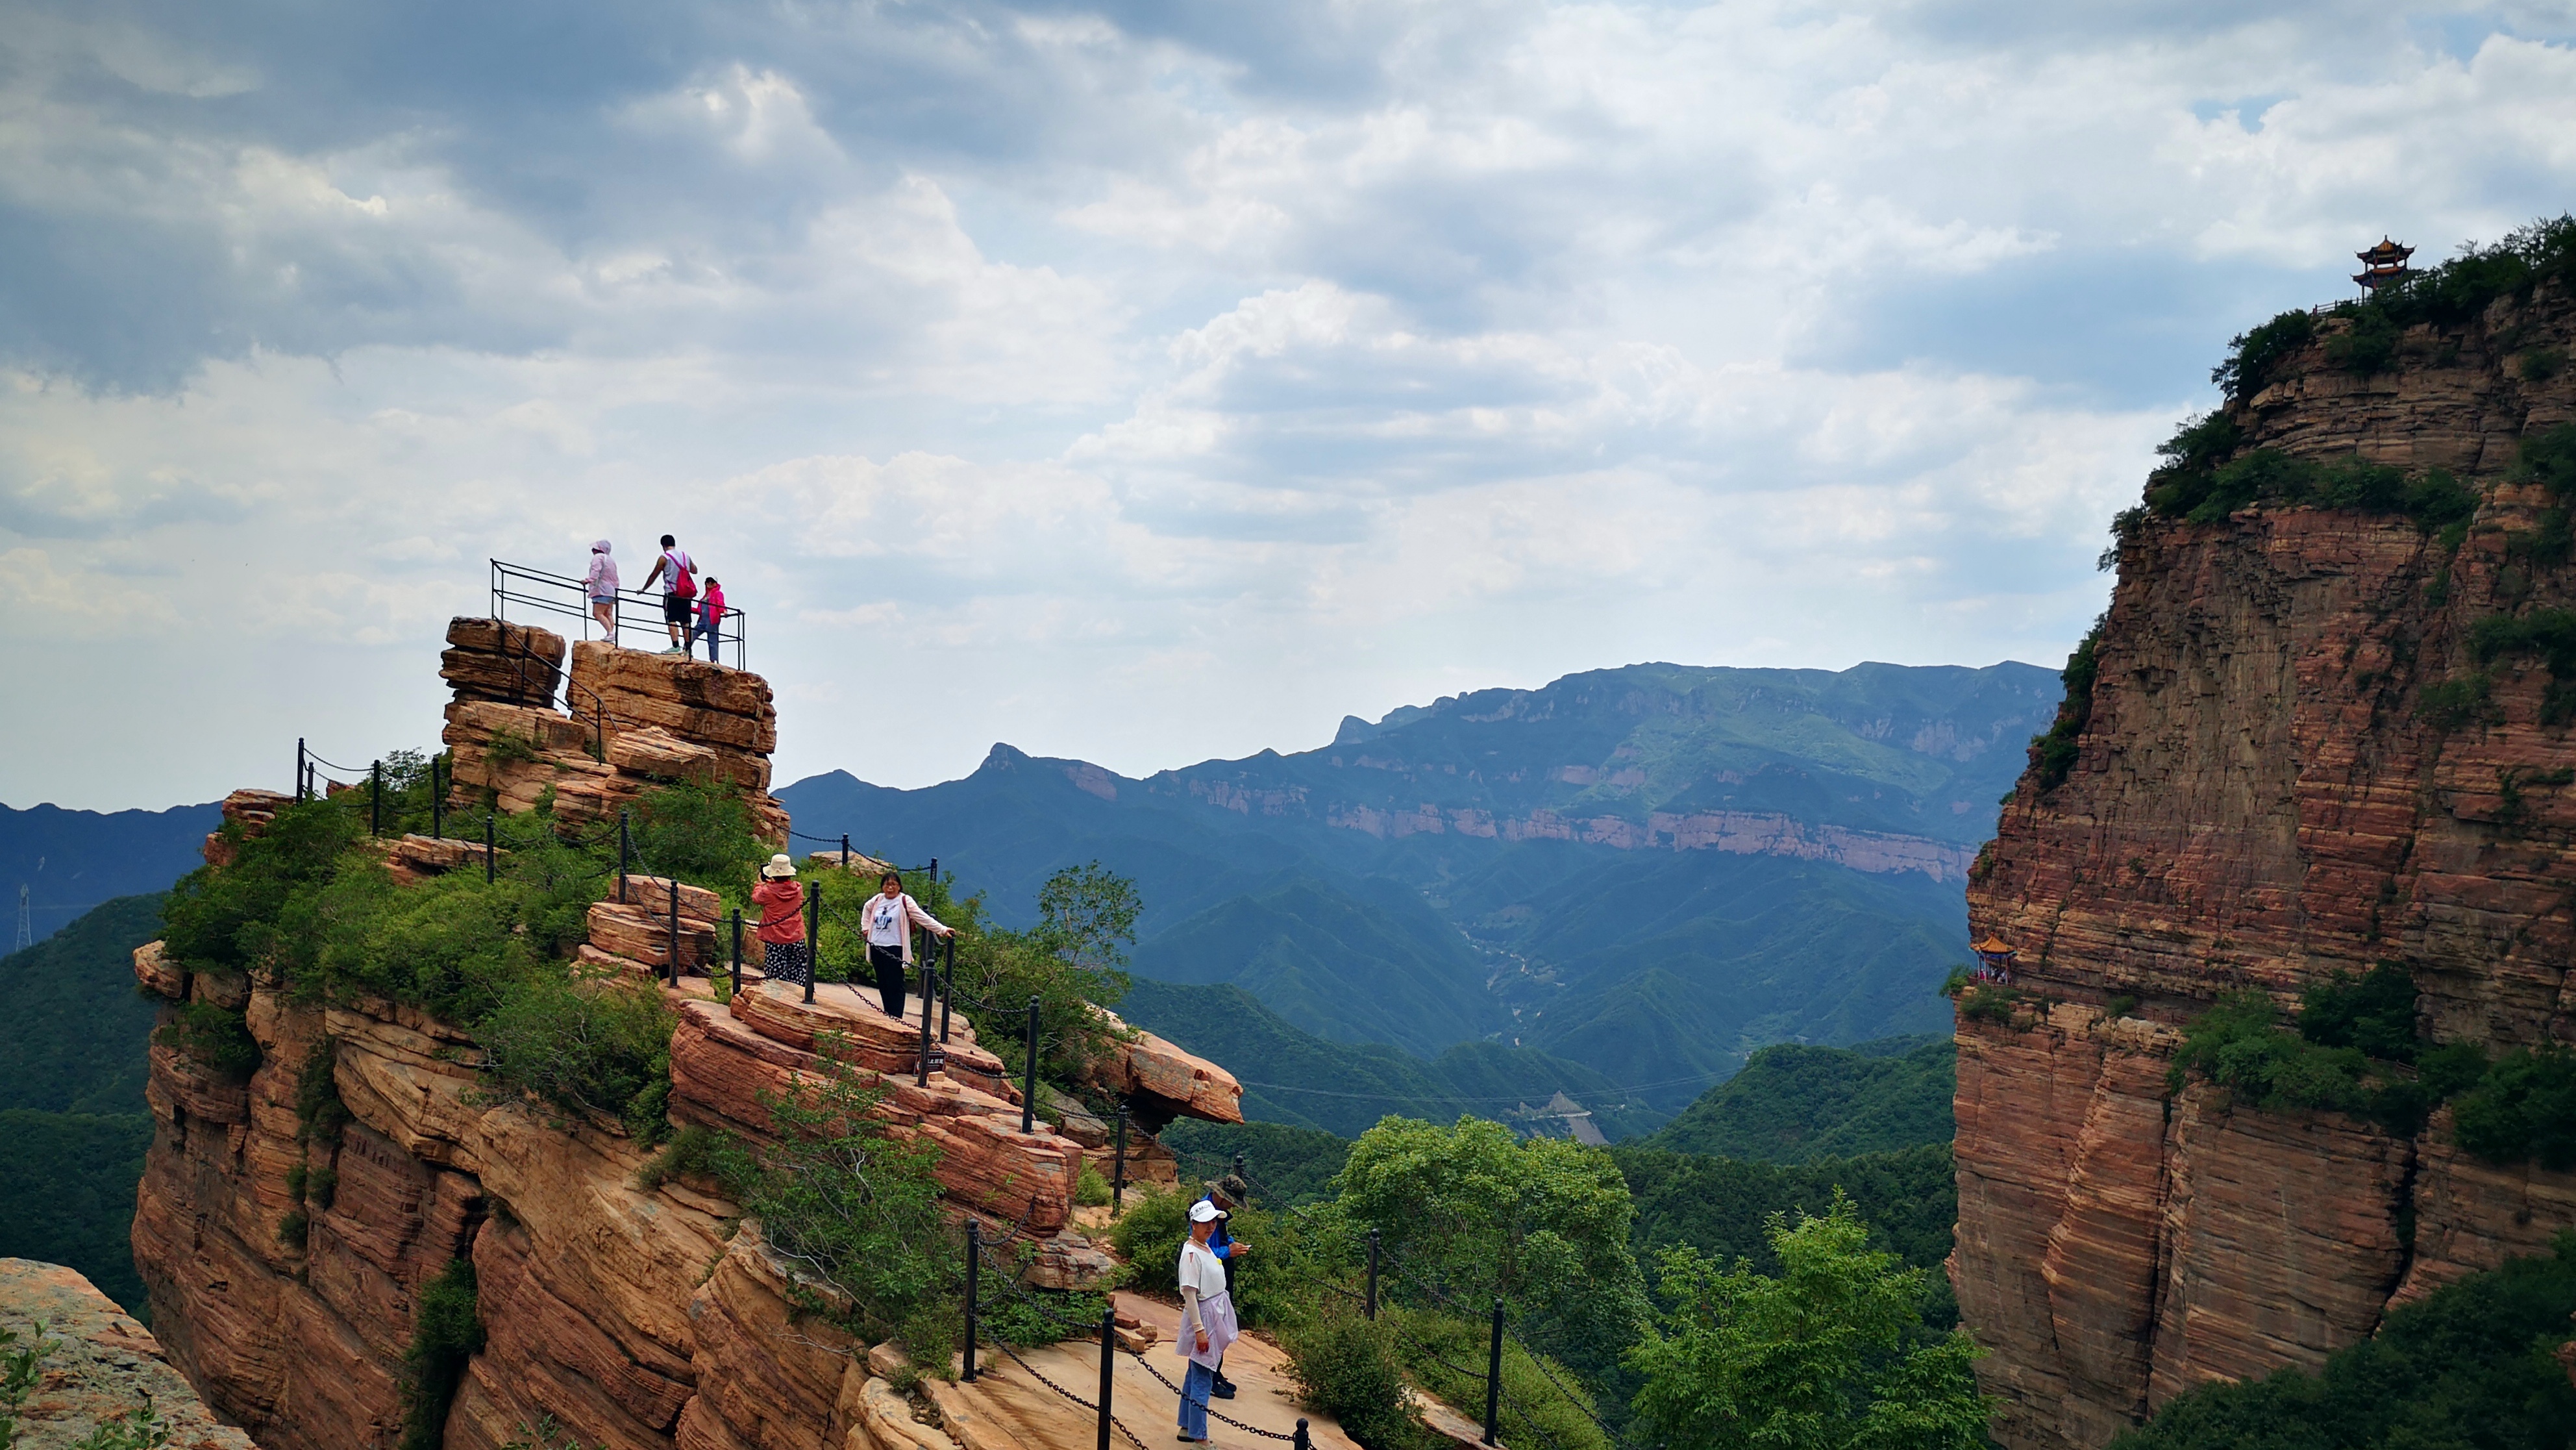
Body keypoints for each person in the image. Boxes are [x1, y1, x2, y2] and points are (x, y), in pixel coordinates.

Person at [1175, 1199, 1237, 1445]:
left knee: (1195, 1373)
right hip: (1205, 1316)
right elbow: (1189, 1293)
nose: (1210, 1227)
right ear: (1193, 1225)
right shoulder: (1191, 1253)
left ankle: (1187, 1427)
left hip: (1213, 1310)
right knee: (1203, 1375)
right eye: (1205, 1223)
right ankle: (1200, 1437)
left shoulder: (1204, 1247)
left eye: (1213, 1222)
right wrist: (1200, 1331)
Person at [860, 871, 952, 1019]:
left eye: (894, 885)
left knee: (895, 983)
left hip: (895, 947)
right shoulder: (878, 900)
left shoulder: (904, 901)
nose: (890, 888)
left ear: (899, 887)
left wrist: (941, 929)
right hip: (876, 946)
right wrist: (865, 928)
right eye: (887, 884)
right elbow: (867, 909)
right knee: (883, 982)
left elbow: (922, 917)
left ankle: (896, 1016)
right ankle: (888, 1012)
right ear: (882, 886)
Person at [1195, 1176, 1252, 1398]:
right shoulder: (1204, 1213)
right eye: (1230, 1201)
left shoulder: (1218, 1214)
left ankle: (1215, 1373)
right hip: (1209, 1281)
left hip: (1221, 1277)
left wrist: (1231, 1244)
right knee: (1213, 1328)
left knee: (1222, 1327)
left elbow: (1218, 1240)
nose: (1231, 1206)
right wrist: (1229, 1252)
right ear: (1221, 1196)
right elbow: (1203, 1250)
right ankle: (1208, 1378)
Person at [751, 855, 808, 987]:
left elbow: (756, 898)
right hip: (796, 938)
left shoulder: (766, 892)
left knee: (776, 980)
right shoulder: (798, 889)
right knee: (798, 976)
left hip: (775, 939)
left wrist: (760, 884)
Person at [637, 534, 698, 655]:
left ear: (663, 546)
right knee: (686, 621)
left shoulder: (664, 558)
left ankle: (676, 646)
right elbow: (695, 570)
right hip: (685, 593)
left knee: (672, 619)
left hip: (672, 592)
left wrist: (644, 589)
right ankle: (688, 649)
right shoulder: (685, 556)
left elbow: (654, 575)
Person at [585, 541, 621, 645]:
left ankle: (610, 633)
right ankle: (611, 633)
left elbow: (596, 571)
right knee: (608, 613)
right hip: (612, 591)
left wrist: (588, 580)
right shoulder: (611, 560)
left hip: (602, 589)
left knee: (598, 613)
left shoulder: (598, 557)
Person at [689, 576, 726, 664]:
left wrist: (724, 611)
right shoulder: (704, 597)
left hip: (712, 620)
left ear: (715, 584)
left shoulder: (718, 593)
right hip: (703, 621)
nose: (709, 583)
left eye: (712, 582)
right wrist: (689, 609)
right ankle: (686, 651)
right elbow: (699, 610)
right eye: (708, 582)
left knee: (712, 641)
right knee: (692, 634)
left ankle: (714, 660)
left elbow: (720, 604)